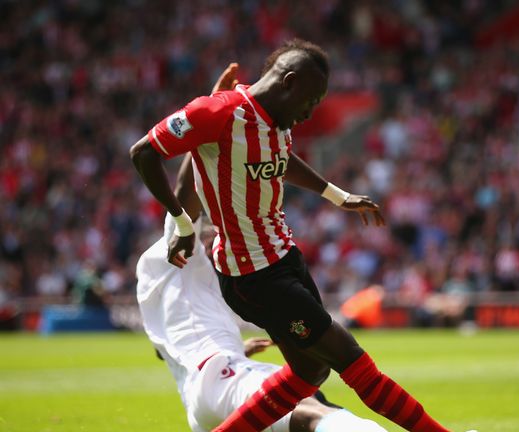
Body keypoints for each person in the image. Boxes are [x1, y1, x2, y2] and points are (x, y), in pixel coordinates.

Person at [131, 40, 468, 432]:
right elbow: (144, 153)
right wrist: (183, 223)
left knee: (310, 373)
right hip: (253, 274)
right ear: (289, 83)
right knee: (352, 360)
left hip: (284, 257)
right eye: (311, 101)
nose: (310, 113)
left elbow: (278, 160)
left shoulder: (275, 123)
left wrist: (337, 196)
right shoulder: (219, 113)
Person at [136, 153, 387, 431]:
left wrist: (236, 348)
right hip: (220, 376)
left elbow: (169, 351)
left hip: (202, 398)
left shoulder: (167, 284)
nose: (220, 238)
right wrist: (207, 130)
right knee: (310, 408)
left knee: (303, 407)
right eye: (215, 232)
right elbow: (185, 192)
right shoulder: (174, 252)